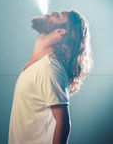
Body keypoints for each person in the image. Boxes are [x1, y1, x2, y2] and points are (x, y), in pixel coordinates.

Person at [8, 10, 93, 144]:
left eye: (58, 15)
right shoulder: (37, 64)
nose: (52, 12)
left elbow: (63, 124)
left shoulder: (49, 68)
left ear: (61, 32)